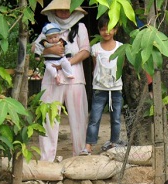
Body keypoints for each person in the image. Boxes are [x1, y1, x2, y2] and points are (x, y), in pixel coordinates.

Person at [34, 0, 90, 161]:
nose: (64, 13)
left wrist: (65, 64)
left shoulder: (80, 27)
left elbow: (85, 50)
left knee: (78, 119)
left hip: (75, 77)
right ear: (54, 11)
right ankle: (46, 159)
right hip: (52, 79)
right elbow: (35, 48)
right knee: (48, 117)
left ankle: (79, 158)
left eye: (68, 10)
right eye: (60, 10)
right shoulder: (47, 29)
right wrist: (51, 50)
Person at [83, 15, 124, 155]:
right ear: (99, 31)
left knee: (116, 119)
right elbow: (96, 67)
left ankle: (113, 143)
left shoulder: (121, 48)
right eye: (103, 29)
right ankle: (89, 146)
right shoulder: (95, 48)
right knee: (94, 118)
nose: (106, 32)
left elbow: (121, 66)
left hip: (116, 88)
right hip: (99, 89)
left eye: (110, 29)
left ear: (116, 30)